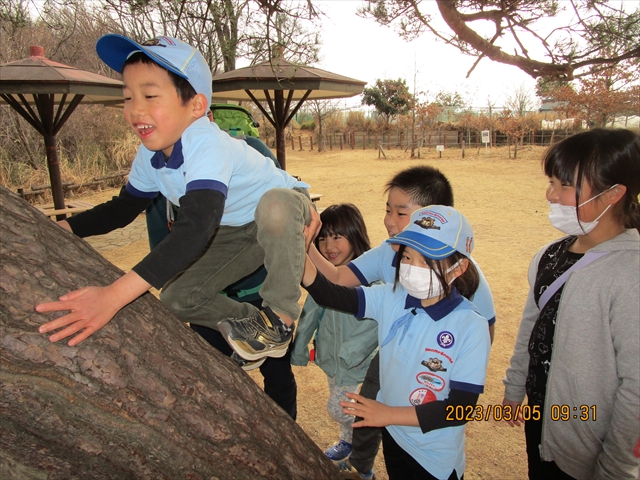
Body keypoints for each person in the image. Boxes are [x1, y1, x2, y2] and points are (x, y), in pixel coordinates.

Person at [35, 34, 319, 365]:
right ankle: (254, 327)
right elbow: (121, 209)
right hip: (234, 227)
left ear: (196, 106)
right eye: (128, 97)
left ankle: (280, 319)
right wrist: (63, 228)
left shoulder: (205, 143)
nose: (135, 109)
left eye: (150, 95)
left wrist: (112, 296)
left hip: (283, 210)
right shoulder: (150, 154)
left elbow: (195, 228)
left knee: (274, 206)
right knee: (177, 297)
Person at [306, 166, 496, 479]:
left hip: (434, 458)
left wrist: (389, 413)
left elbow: (460, 406)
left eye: (427, 259)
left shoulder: (469, 322)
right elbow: (333, 290)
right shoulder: (392, 294)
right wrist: (302, 247)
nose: (411, 266)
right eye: (407, 256)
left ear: (458, 267)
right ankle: (361, 463)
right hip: (396, 435)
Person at [502, 128, 640, 480]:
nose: (551, 194)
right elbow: (531, 327)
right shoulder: (548, 256)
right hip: (544, 421)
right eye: (551, 182)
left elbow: (636, 386)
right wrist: (516, 387)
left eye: (564, 185)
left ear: (614, 193)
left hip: (592, 446)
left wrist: (615, 468)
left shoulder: (631, 273)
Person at [291, 204, 378, 461]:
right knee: (339, 401)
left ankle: (365, 444)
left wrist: (350, 352)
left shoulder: (371, 276)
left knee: (340, 408)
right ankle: (347, 442)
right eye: (323, 238)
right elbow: (309, 314)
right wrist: (298, 350)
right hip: (330, 358)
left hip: (357, 363)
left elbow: (374, 325)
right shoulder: (324, 277)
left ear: (355, 234)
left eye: (337, 236)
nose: (329, 246)